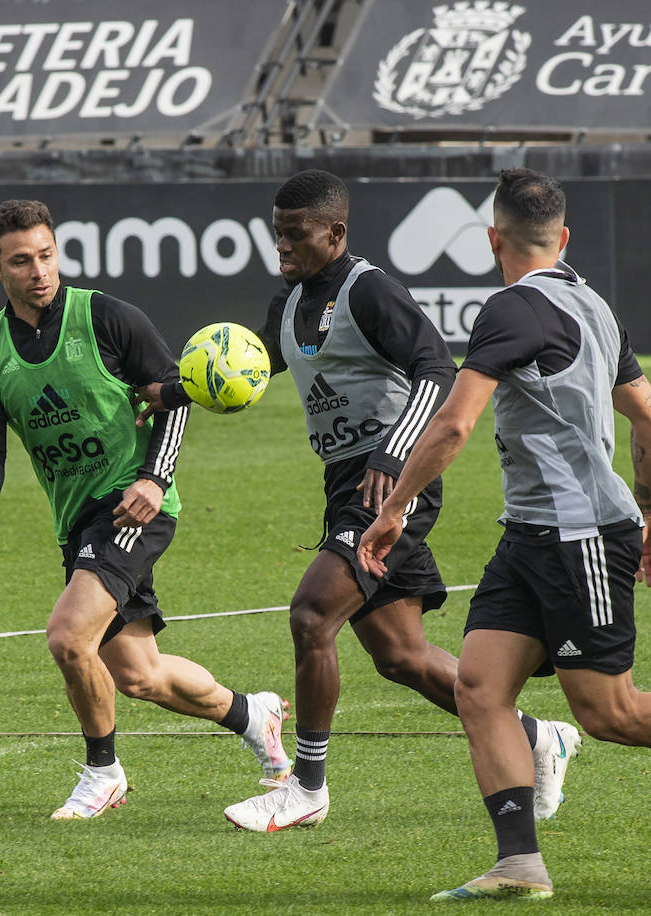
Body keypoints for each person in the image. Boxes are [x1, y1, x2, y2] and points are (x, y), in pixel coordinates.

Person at [358, 168, 651, 901]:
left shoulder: (510, 309)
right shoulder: (594, 305)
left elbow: (453, 422)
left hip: (577, 537)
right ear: (563, 237)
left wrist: (394, 511)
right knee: (479, 689)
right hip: (533, 536)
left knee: (611, 712)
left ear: (492, 240)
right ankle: (519, 863)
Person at [140, 170, 579, 832]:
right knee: (400, 657)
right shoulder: (288, 304)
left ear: (335, 233)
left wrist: (392, 458)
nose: (281, 246)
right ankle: (540, 737)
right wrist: (167, 391)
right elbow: (253, 366)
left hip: (392, 485)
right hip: (347, 484)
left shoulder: (368, 290)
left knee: (313, 614)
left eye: (296, 234)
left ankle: (306, 787)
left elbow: (437, 368)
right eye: (277, 232)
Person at [0, 199, 290, 820]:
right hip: (78, 519)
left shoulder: (106, 317)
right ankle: (251, 714)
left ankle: (103, 772)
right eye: (21, 261)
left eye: (46, 255)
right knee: (138, 674)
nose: (39, 271)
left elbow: (176, 394)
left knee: (67, 636)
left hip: (134, 507)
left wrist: (156, 479)